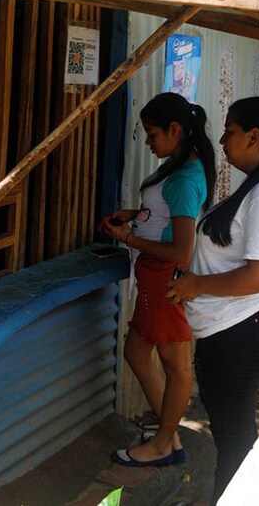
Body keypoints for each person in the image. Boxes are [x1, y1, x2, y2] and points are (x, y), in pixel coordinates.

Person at [167, 96, 259, 501]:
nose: (222, 141)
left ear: (255, 137)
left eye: (230, 131)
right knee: (233, 434)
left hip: (239, 331)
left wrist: (197, 286)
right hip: (234, 329)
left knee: (235, 441)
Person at [100, 92, 216, 467]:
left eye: (152, 134)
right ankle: (169, 434)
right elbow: (167, 217)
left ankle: (165, 443)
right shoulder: (179, 168)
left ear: (175, 129)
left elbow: (181, 250)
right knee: (138, 352)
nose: (148, 141)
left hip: (164, 278)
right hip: (153, 277)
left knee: (176, 365)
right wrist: (138, 212)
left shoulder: (183, 178)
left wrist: (128, 238)